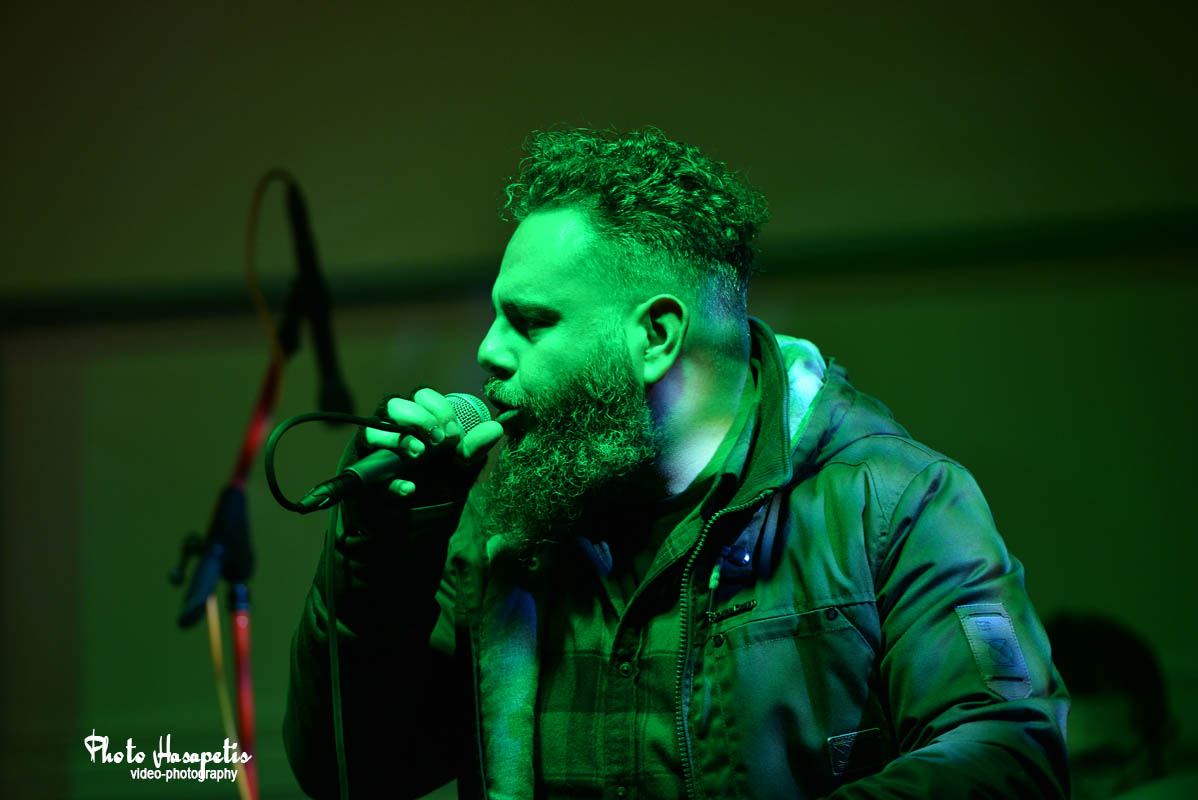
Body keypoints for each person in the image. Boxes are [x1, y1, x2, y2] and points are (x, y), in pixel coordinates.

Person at [283, 128, 1069, 798]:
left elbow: (1008, 754)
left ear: (656, 336)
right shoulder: (505, 519)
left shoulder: (892, 502)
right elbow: (353, 774)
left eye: (530, 322)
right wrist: (383, 557)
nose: (488, 351)